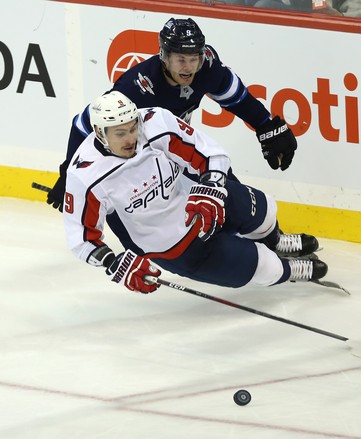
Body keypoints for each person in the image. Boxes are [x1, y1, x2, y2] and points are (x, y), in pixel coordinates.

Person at [63, 91, 327, 294]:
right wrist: (113, 262)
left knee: (265, 209)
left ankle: (275, 240)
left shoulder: (155, 122)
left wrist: (210, 188)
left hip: (197, 200)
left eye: (133, 128)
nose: (131, 137)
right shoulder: (86, 173)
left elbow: (211, 152)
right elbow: (82, 239)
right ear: (100, 132)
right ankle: (290, 270)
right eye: (121, 133)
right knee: (264, 267)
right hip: (170, 245)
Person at [48, 17, 297, 213]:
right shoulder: (137, 86)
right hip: (146, 158)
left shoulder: (207, 66)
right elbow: (83, 124)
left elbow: (237, 97)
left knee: (230, 193)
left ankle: (270, 240)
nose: (188, 67)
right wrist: (67, 172)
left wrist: (265, 125)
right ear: (164, 57)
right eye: (180, 59)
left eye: (193, 59)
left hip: (181, 144)